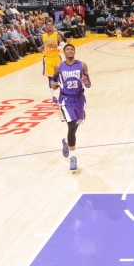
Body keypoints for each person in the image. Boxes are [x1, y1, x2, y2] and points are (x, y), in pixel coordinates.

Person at [51, 43, 90, 171]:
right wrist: (53, 84)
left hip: (79, 98)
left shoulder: (82, 65)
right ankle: (73, 157)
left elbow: (89, 84)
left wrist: (86, 82)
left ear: (74, 51)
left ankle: (67, 143)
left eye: (72, 49)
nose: (70, 51)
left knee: (76, 124)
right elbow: (53, 80)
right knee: (72, 125)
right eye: (67, 49)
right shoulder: (59, 67)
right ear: (64, 52)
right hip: (65, 99)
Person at [41, 20, 65, 103]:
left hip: (56, 58)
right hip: (47, 59)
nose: (49, 26)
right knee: (50, 78)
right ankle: (54, 97)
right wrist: (41, 49)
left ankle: (63, 95)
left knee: (60, 78)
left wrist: (55, 47)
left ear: (53, 26)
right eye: (48, 25)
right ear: (45, 26)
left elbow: (64, 48)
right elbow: (45, 46)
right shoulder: (43, 36)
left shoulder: (57, 35)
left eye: (51, 25)